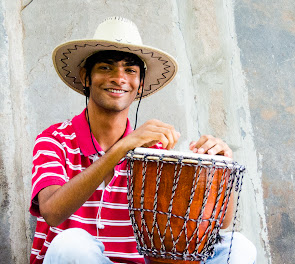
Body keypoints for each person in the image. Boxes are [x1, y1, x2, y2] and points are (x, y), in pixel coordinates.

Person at [29, 17, 256, 264]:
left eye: (130, 70)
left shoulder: (156, 153)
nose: (119, 78)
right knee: (71, 244)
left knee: (238, 248)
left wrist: (221, 171)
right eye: (106, 67)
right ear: (86, 77)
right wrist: (122, 149)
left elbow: (218, 225)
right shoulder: (55, 140)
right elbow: (52, 212)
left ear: (140, 84)